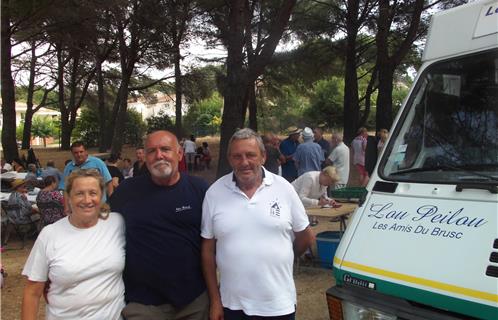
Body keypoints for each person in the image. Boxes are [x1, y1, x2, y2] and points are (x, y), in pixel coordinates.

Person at [201, 128, 315, 320]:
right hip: (232, 305)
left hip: (278, 304)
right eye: (237, 156)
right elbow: (207, 250)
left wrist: (284, 254)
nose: (244, 162)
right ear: (230, 159)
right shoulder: (214, 193)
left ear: (263, 156)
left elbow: (306, 236)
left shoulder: (284, 188)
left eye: (250, 155)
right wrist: (215, 301)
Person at [110, 130, 209, 320]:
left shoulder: (199, 190)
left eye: (165, 149)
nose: (159, 155)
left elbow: (216, 241)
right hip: (143, 305)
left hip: (194, 302)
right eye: (152, 151)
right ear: (145, 157)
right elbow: (98, 229)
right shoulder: (126, 192)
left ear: (179, 154)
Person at [21, 169, 125, 319]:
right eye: (79, 193)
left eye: (93, 193)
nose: (87, 200)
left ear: (101, 196)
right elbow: (32, 292)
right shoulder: (50, 235)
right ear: (68, 197)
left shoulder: (117, 223)